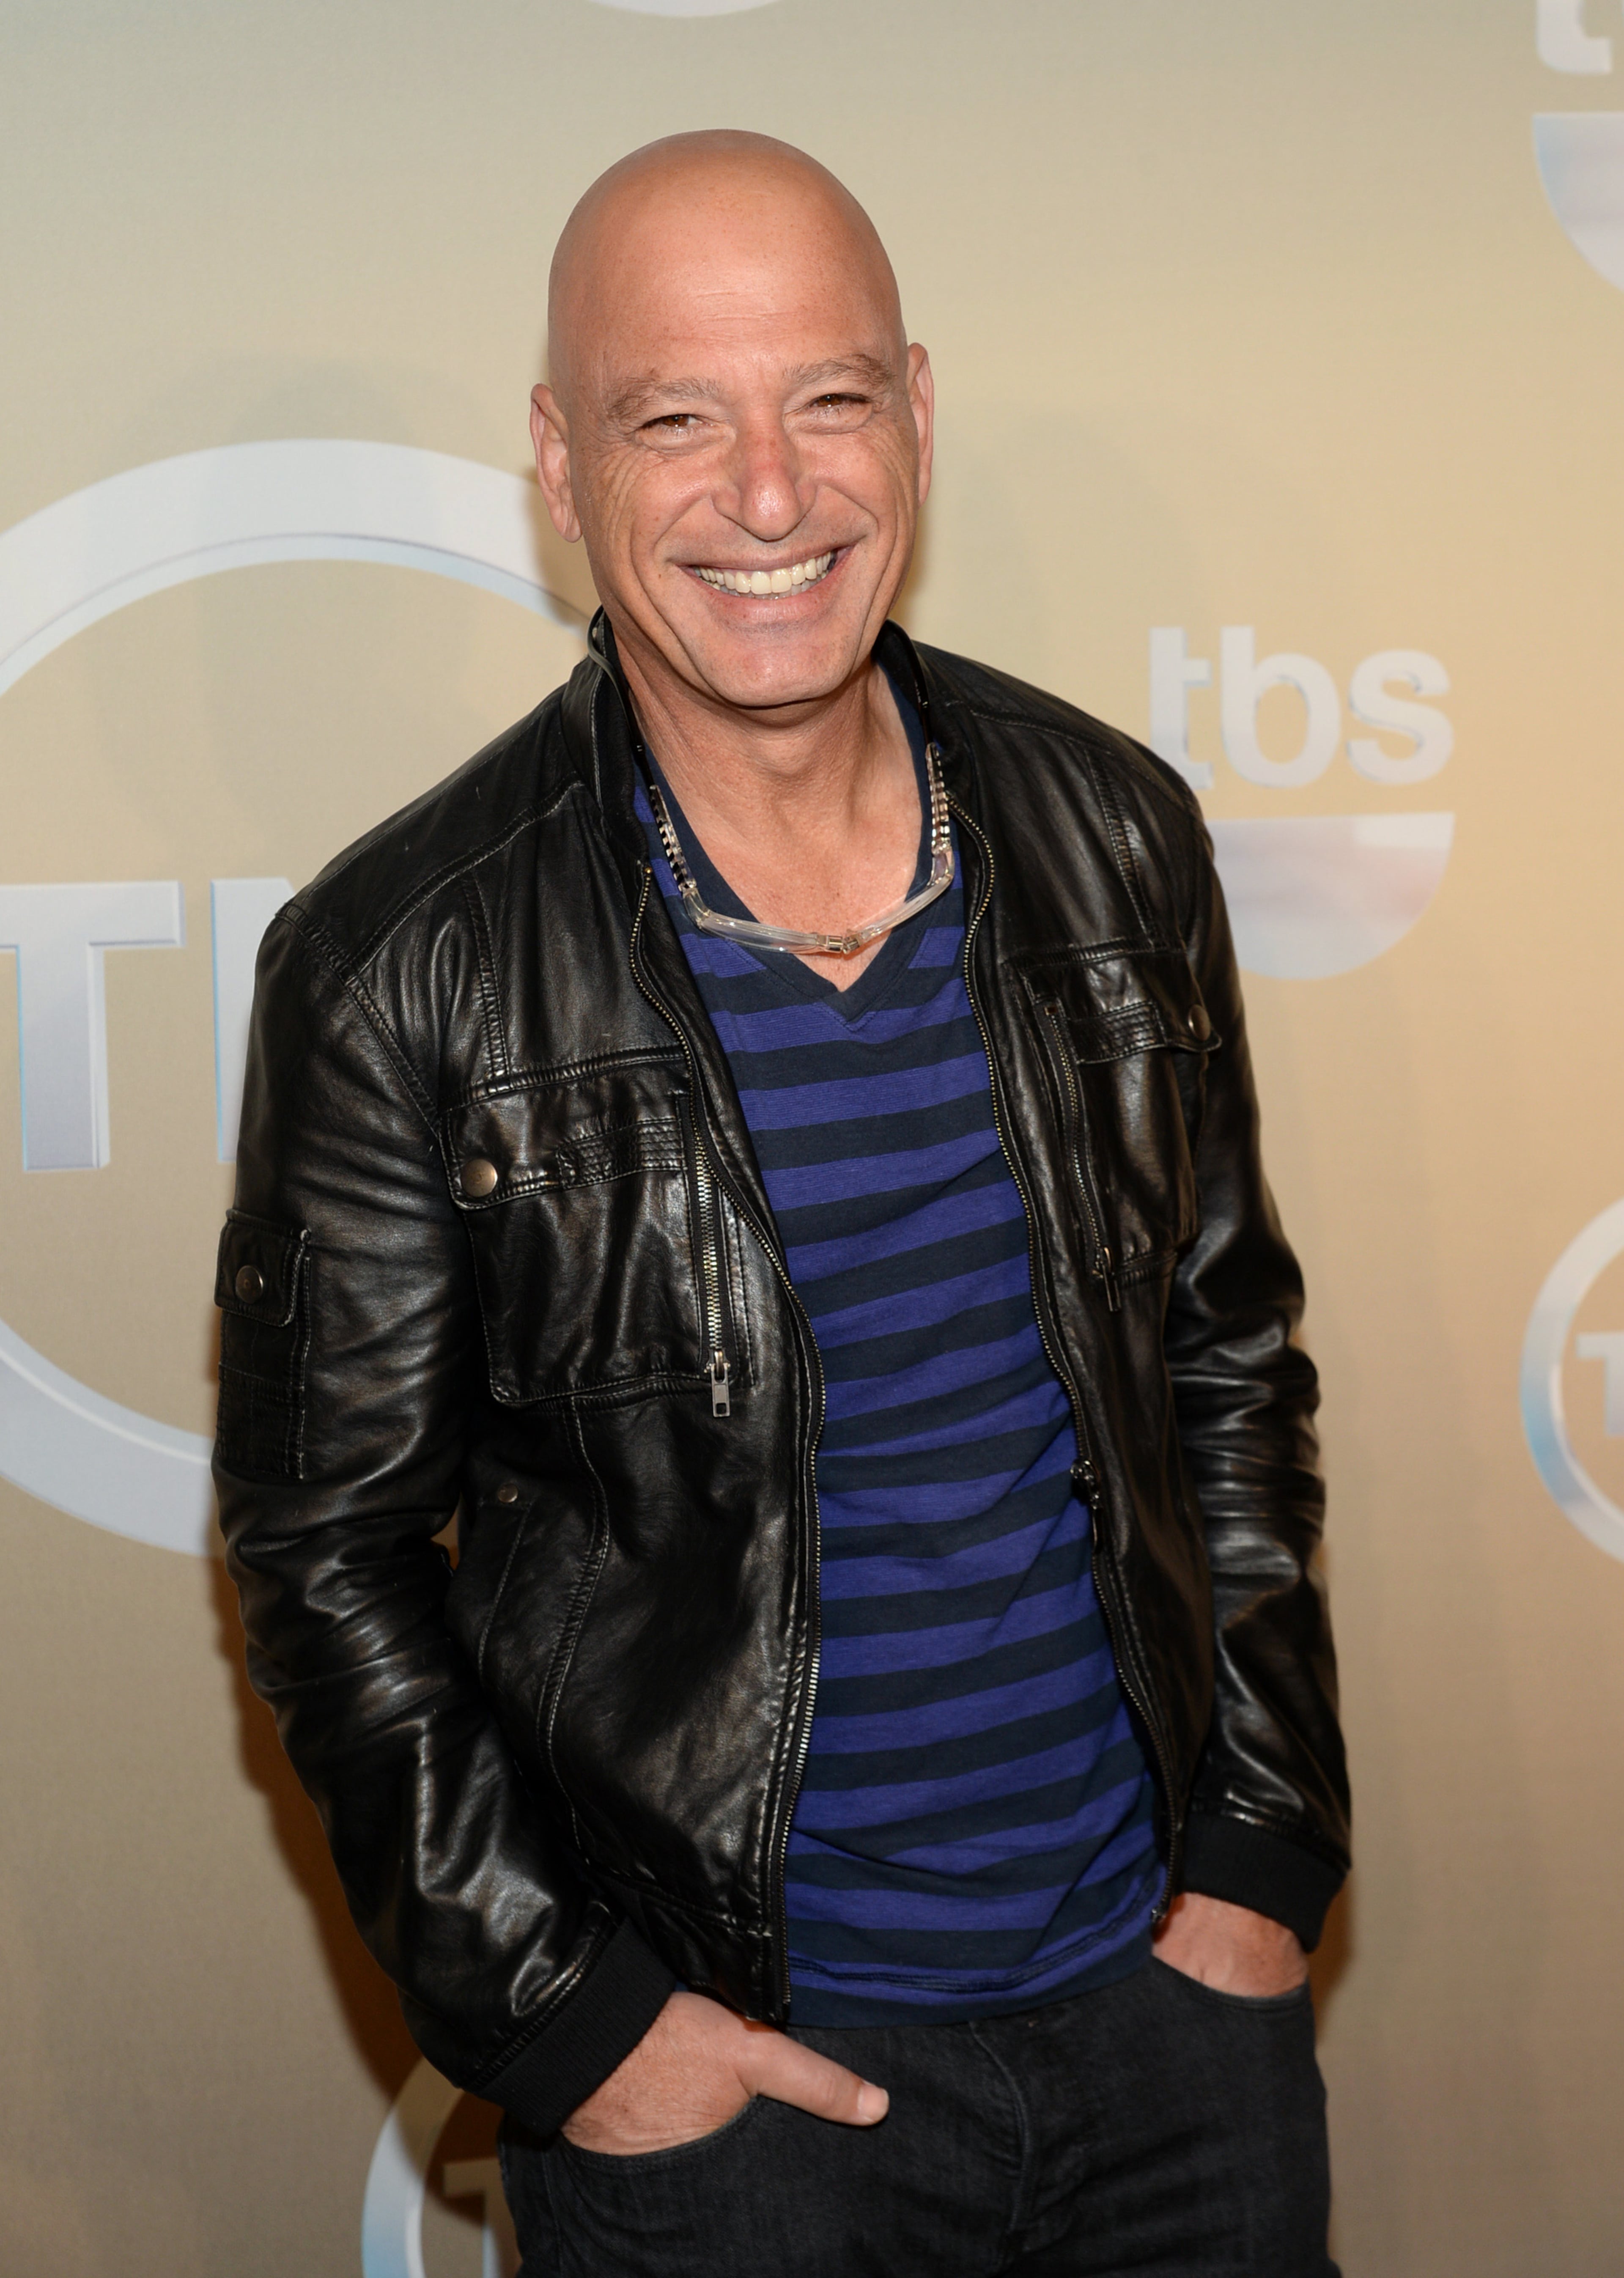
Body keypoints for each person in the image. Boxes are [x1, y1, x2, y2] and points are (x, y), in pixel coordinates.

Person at [215, 130, 1349, 2277]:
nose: (770, 494)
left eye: (829, 400)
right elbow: (329, 1558)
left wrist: (1265, 1856)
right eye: (678, 419)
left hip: (1175, 2042)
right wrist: (576, 2028)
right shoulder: (401, 964)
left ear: (916, 411)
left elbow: (1227, 1364)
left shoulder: (1116, 833)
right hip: (738, 2123)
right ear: (561, 464)